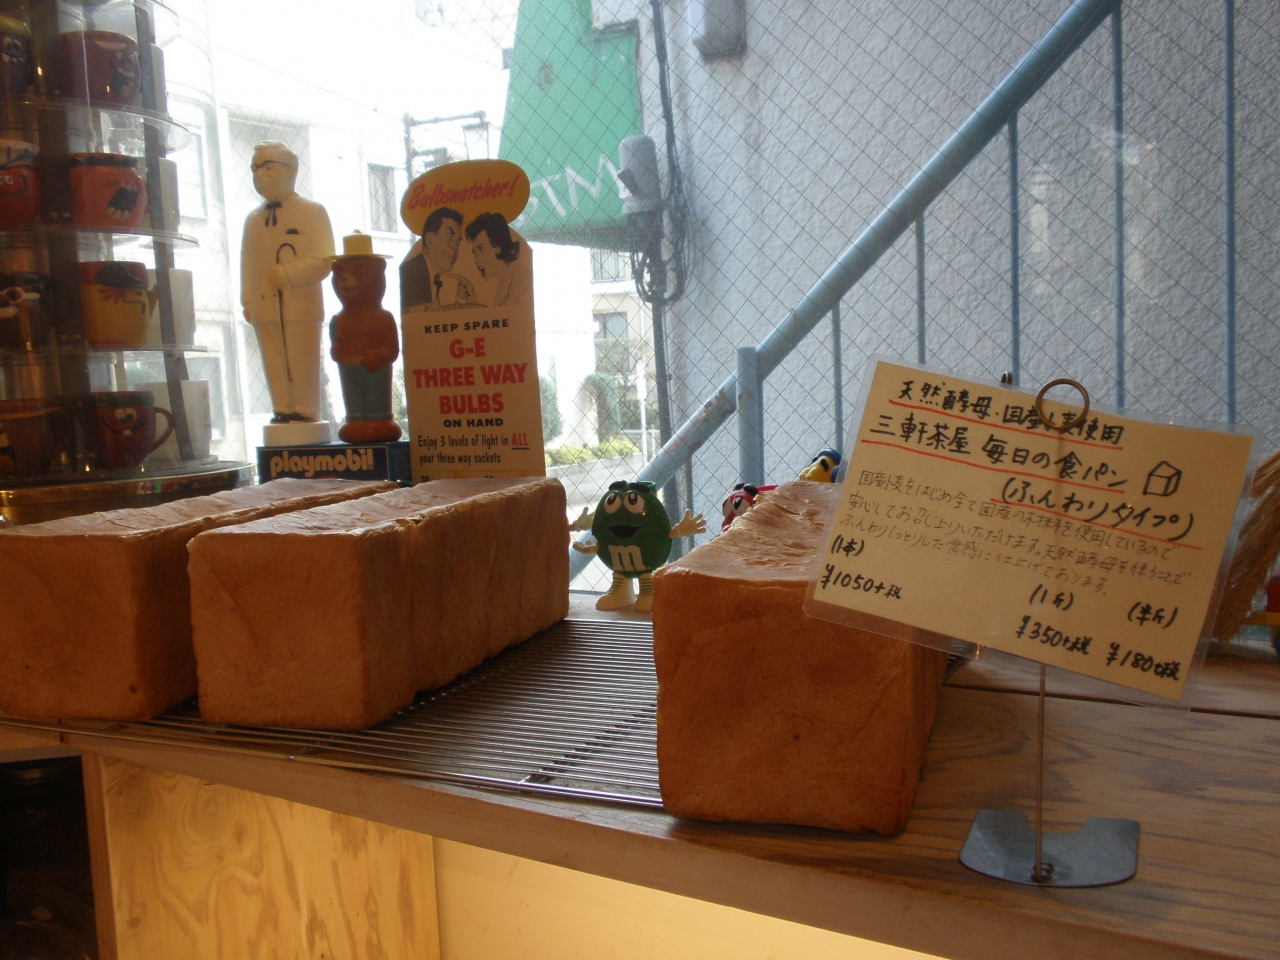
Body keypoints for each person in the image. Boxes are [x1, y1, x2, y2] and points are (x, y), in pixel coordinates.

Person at [240, 140, 334, 424]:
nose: (259, 175)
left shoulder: (313, 212)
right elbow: (247, 263)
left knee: (300, 360)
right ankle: (281, 408)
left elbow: (323, 259)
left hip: (300, 306)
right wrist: (247, 300)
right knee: (273, 361)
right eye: (255, 169)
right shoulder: (252, 220)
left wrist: (288, 273)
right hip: (264, 307)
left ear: (291, 169)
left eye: (267, 167)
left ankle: (304, 410)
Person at [400, 206, 475, 311]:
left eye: (457, 242)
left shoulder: (432, 275)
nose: (455, 247)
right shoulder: (410, 273)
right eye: (450, 237)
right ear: (430, 239)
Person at [465, 211, 530, 307]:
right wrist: (472, 300)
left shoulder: (523, 282)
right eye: (474, 253)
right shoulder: (503, 287)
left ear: (497, 248)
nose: (476, 260)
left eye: (481, 249)